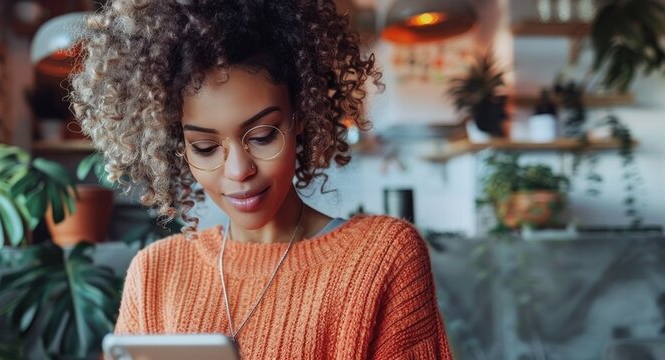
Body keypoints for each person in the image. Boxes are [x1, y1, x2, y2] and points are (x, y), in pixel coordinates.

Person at [69, 0, 453, 358]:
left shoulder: (381, 257)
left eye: (263, 135)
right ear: (177, 147)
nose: (239, 171)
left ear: (300, 115)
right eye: (204, 147)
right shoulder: (155, 272)